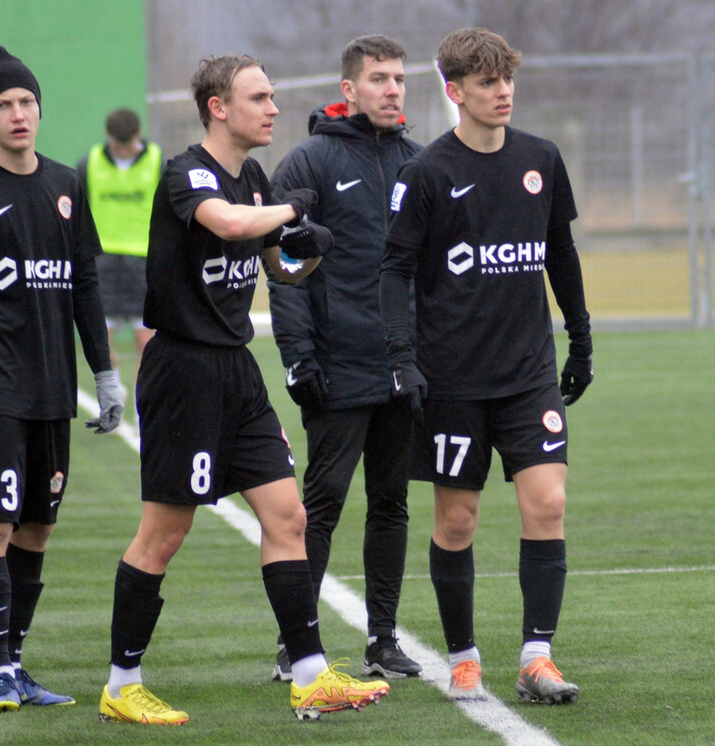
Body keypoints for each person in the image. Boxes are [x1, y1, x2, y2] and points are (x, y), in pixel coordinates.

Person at [97, 53, 388, 726]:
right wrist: (293, 208)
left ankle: (311, 675)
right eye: (258, 97)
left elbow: (278, 269)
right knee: (164, 535)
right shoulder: (187, 172)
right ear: (218, 107)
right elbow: (227, 224)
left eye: (273, 96)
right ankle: (121, 684)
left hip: (235, 368)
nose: (273, 108)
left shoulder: (254, 176)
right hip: (182, 371)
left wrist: (307, 246)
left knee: (288, 516)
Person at [380, 28, 594, 706]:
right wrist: (402, 358)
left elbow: (560, 251)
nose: (501, 92)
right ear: (455, 91)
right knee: (458, 522)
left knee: (549, 502)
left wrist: (581, 339)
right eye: (485, 83)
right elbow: (395, 268)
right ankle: (464, 658)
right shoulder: (428, 173)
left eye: (507, 80)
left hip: (529, 372)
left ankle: (538, 657)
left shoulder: (540, 158)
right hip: (452, 379)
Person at [0, 45, 124, 713]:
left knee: (37, 528)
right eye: (4, 105)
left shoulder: (65, 184)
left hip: (51, 390)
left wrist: (106, 374)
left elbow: (85, 284)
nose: (18, 114)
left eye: (27, 103)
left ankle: (13, 664)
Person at [267, 34, 422, 682]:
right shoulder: (310, 162)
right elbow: (282, 265)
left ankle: (382, 641)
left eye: (399, 79)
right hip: (338, 364)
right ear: (349, 89)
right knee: (321, 503)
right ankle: (296, 648)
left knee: (391, 502)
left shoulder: (420, 162)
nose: (392, 89)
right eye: (379, 78)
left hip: (403, 369)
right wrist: (299, 357)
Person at [76, 108, 161, 387]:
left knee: (145, 342)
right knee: (101, 338)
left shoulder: (158, 163)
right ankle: (112, 390)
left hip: (143, 261)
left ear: (140, 134)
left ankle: (141, 404)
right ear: (107, 137)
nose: (123, 151)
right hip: (103, 262)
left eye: (128, 145)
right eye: (117, 146)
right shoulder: (89, 165)